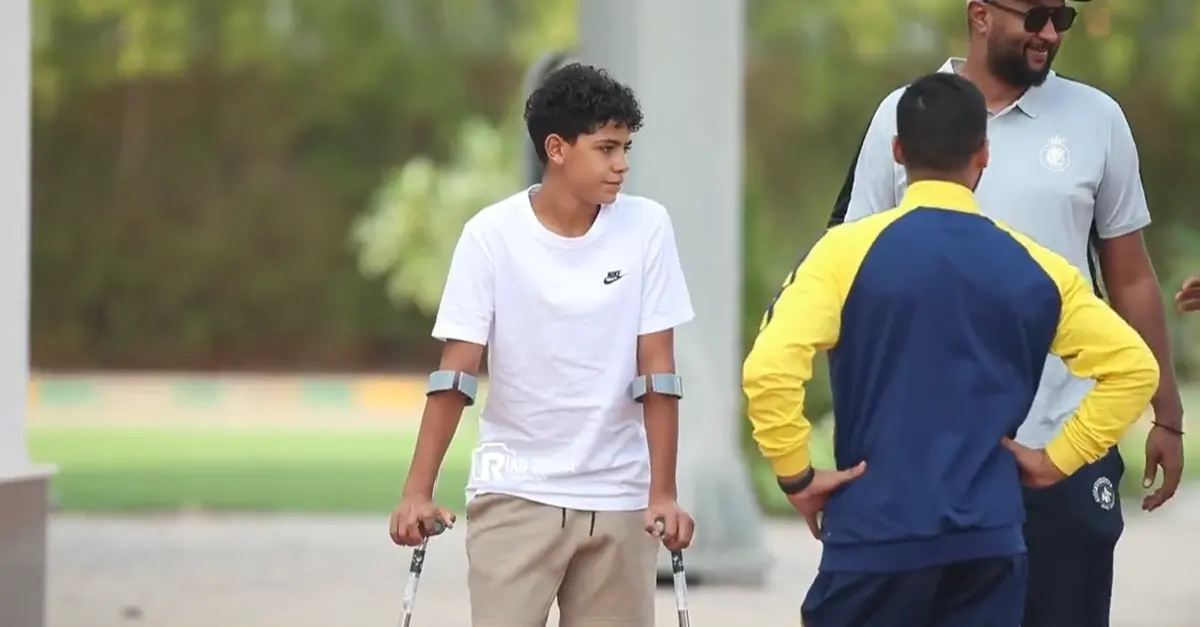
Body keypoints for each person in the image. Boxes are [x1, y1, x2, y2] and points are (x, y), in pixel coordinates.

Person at [743, 71, 1160, 627]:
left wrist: (796, 474)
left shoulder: (843, 254)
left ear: (897, 151)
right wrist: (1056, 459)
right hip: (987, 546)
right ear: (983, 155)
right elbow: (1134, 368)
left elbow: (770, 368)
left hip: (874, 540)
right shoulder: (1035, 266)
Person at [826, 2, 1186, 624]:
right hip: (931, 454)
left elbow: (1130, 277)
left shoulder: (1098, 120)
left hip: (1065, 442)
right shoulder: (906, 111)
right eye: (1036, 15)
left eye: (1063, 17)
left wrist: (1168, 414)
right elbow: (853, 277)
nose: (1050, 33)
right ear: (981, 14)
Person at [386, 63, 696, 627]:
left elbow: (658, 369)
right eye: (606, 148)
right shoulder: (491, 235)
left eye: (626, 147)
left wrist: (664, 493)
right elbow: (456, 372)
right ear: (556, 148)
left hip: (620, 500)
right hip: (515, 493)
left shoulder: (648, 227)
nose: (622, 164)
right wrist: (417, 490)